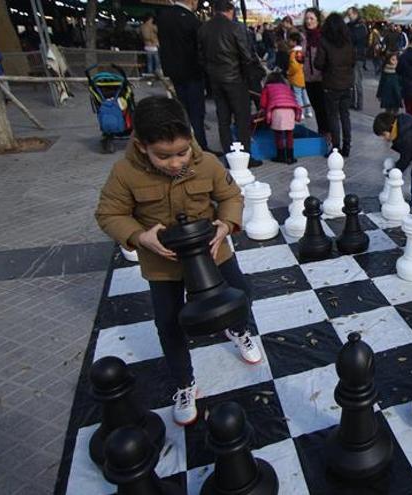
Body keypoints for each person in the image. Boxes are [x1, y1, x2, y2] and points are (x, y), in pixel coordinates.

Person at [94, 96, 262, 426]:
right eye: (163, 156)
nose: (175, 163)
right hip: (164, 263)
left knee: (241, 293)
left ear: (190, 137)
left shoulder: (208, 163)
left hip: (213, 252)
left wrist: (226, 225)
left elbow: (230, 196)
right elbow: (109, 213)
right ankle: (185, 383)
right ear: (141, 146)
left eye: (182, 152)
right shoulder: (124, 172)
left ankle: (238, 329)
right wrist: (141, 237)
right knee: (169, 323)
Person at [197, 0, 259, 163]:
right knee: (242, 119)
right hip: (235, 80)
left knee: (223, 119)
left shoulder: (204, 29)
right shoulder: (235, 27)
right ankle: (245, 157)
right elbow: (246, 56)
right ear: (230, 11)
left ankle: (228, 156)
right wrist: (247, 77)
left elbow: (201, 57)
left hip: (216, 81)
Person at [157, 0, 209, 152]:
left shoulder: (164, 17)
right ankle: (200, 146)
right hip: (192, 71)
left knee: (183, 110)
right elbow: (199, 47)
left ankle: (184, 145)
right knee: (196, 112)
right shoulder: (191, 20)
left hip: (174, 71)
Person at [314, 13, 355, 157]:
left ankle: (336, 148)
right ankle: (347, 146)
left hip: (330, 84)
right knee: (345, 116)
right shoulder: (348, 42)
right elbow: (353, 61)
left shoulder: (324, 42)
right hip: (347, 83)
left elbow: (318, 63)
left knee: (333, 117)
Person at [260, 71, 303, 164]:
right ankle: (290, 157)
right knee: (289, 134)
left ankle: (281, 156)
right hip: (290, 110)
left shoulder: (267, 88)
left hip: (277, 111)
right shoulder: (286, 87)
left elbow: (263, 103)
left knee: (278, 134)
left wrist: (264, 110)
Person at [303, 8, 329, 139]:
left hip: (321, 79)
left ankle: (329, 138)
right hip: (308, 79)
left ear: (318, 21)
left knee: (324, 110)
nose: (308, 21)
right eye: (307, 18)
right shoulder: (304, 37)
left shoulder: (322, 37)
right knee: (317, 109)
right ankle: (322, 135)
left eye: (311, 18)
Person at [287, 32, 313, 119]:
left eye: (290, 41)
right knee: (305, 95)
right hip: (304, 76)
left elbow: (294, 67)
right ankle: (308, 111)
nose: (288, 42)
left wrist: (289, 73)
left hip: (296, 78)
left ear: (294, 42)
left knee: (297, 95)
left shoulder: (293, 53)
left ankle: (300, 112)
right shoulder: (303, 51)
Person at [347, 7, 368, 111]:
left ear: (355, 14)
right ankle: (351, 102)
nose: (348, 16)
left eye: (350, 14)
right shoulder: (350, 26)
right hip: (349, 56)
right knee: (351, 81)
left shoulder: (361, 26)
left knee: (357, 81)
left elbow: (354, 38)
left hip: (358, 56)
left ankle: (359, 104)